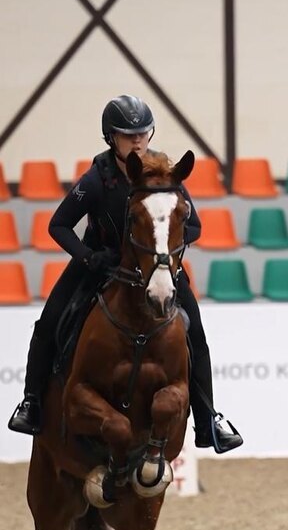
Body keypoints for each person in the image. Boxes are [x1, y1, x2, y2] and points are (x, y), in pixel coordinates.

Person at [8, 94, 243, 454]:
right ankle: (32, 402)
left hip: (154, 266)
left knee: (195, 333)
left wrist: (163, 252)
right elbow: (59, 225)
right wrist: (89, 257)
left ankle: (209, 418)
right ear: (111, 138)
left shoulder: (164, 176)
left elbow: (193, 226)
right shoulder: (97, 179)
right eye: (127, 135)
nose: (137, 141)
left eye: (143, 133)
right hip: (99, 262)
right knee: (49, 321)